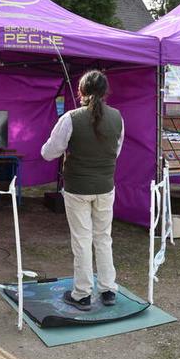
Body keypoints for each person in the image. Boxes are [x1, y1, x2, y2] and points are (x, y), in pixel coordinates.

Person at [41, 70, 124, 311]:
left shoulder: (71, 118)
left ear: (82, 91)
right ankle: (108, 289)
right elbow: (115, 152)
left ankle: (82, 293)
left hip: (77, 187)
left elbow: (48, 153)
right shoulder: (118, 117)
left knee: (82, 240)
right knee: (103, 238)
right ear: (106, 91)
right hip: (105, 186)